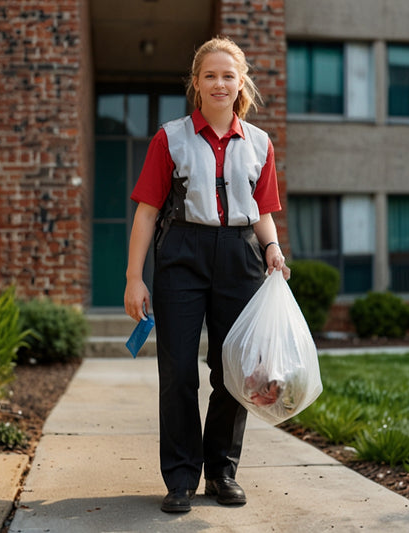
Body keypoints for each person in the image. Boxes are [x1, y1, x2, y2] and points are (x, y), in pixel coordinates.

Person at [124, 36, 290, 514]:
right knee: (177, 371)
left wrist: (273, 249)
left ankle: (221, 471)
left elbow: (262, 211)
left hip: (239, 256)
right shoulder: (170, 137)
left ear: (241, 84)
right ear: (196, 83)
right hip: (181, 252)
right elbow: (147, 213)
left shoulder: (259, 142)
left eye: (228, 75)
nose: (220, 83)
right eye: (210, 75)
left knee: (232, 370)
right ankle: (180, 478)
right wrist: (135, 278)